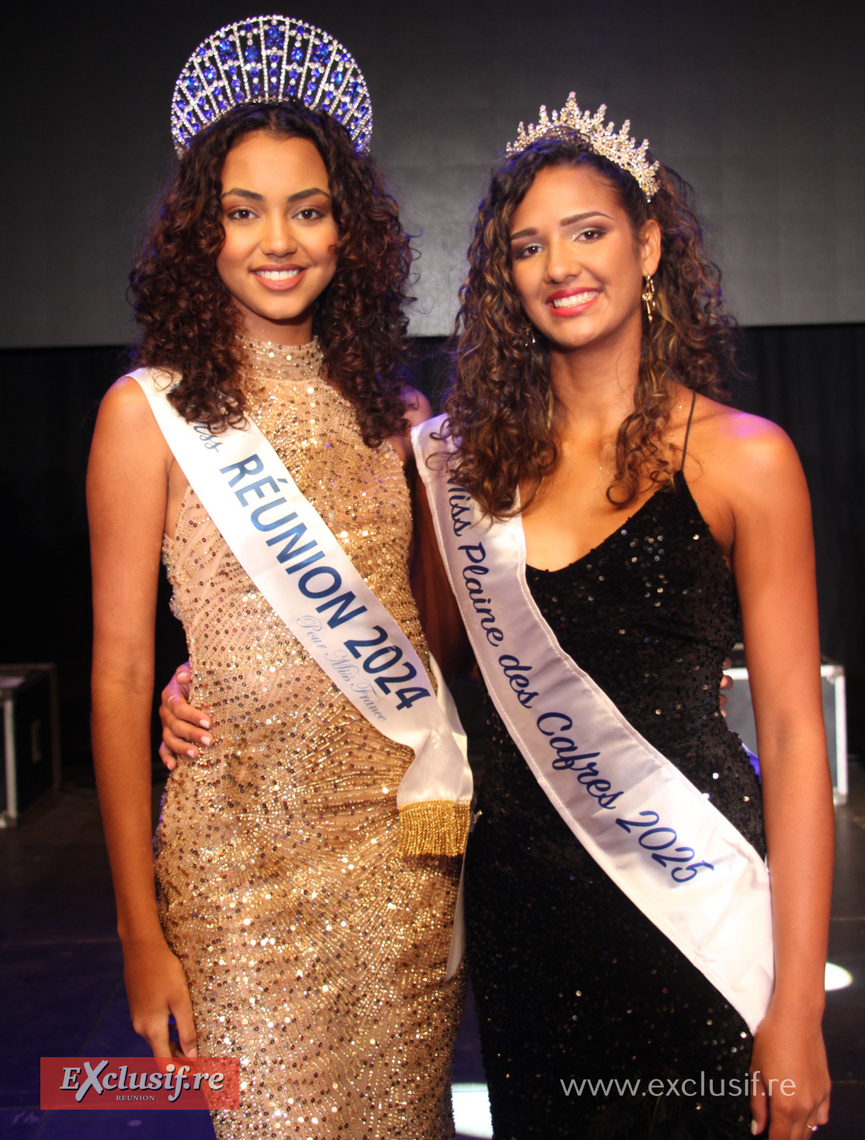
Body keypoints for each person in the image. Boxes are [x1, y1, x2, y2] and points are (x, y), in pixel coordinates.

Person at [410, 97, 833, 1139]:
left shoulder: (747, 458)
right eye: (528, 246)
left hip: (691, 904)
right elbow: (408, 675)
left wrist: (796, 1010)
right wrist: (209, 684)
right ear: (505, 279)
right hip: (523, 914)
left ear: (646, 245)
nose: (560, 263)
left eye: (588, 231)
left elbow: (787, 734)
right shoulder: (461, 470)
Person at [87, 17, 469, 1139]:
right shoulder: (145, 415)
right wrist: (138, 932)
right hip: (233, 864)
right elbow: (116, 676)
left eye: (306, 208)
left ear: (348, 229)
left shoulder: (399, 420)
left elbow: (429, 642)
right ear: (200, 231)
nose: (277, 239)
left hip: (400, 853)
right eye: (243, 210)